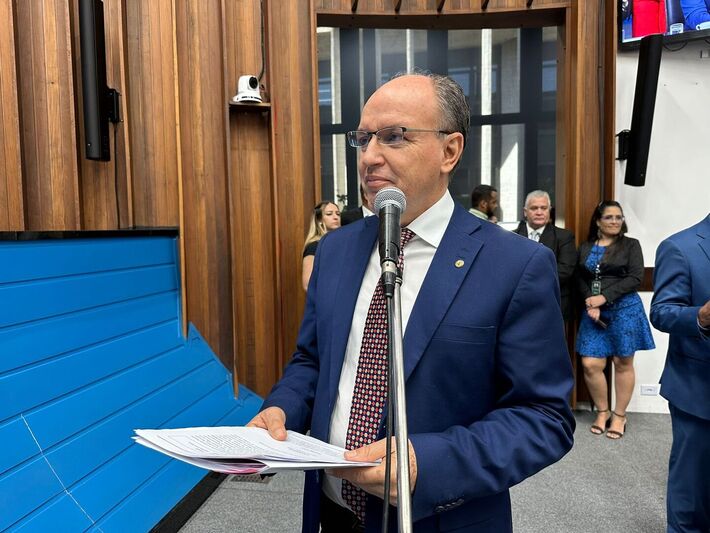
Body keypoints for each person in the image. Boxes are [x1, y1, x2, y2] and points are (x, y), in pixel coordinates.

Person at [249, 72, 574, 533]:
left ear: (450, 151)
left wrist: (427, 463)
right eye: (363, 139)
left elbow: (545, 418)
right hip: (332, 512)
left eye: (394, 137)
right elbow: (312, 360)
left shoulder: (516, 265)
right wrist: (282, 408)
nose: (369, 157)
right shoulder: (335, 251)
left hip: (440, 518)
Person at [650, 214, 710, 533]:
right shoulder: (680, 246)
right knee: (694, 497)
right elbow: (661, 312)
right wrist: (700, 316)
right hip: (698, 391)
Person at [575, 200, 655, 439]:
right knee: (591, 364)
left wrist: (603, 298)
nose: (614, 221)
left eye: (618, 217)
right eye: (609, 217)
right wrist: (591, 299)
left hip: (624, 310)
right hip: (593, 312)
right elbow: (579, 277)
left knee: (622, 363)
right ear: (598, 221)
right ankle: (602, 411)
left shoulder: (631, 245)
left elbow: (635, 277)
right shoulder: (587, 246)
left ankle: (619, 416)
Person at [514, 190, 576, 322]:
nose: (539, 212)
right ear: (525, 212)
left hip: (551, 303)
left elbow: (565, 270)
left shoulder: (564, 237)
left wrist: (530, 285)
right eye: (534, 208)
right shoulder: (512, 237)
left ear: (549, 210)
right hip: (518, 304)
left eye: (543, 208)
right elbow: (508, 270)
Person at [302, 201, 340, 291]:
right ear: (319, 220)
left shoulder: (341, 244)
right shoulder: (314, 246)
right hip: (325, 300)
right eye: (329, 214)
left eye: (338, 214)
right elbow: (307, 284)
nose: (335, 217)